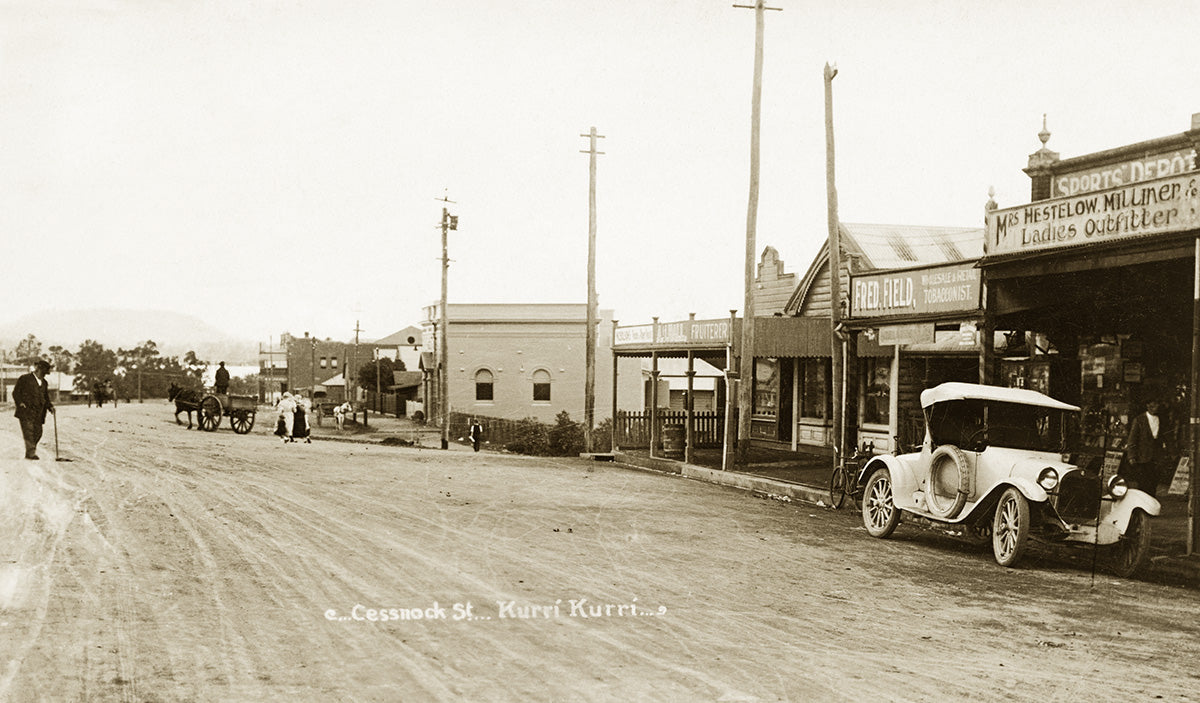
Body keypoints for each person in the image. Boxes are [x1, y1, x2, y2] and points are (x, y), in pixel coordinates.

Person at [1125, 397, 1169, 498]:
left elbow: (1164, 437)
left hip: (1156, 457)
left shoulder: (1160, 420)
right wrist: (1131, 456)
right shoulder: (1139, 420)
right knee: (1143, 484)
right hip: (1143, 457)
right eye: (1154, 405)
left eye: (1157, 405)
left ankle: (1151, 505)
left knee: (1153, 483)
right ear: (1148, 406)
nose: (1157, 407)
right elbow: (1132, 439)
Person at [13, 359, 55, 460]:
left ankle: (30, 450)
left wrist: (50, 406)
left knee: (38, 432)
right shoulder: (25, 379)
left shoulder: (44, 382)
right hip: (26, 411)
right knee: (29, 432)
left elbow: (45, 397)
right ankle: (31, 453)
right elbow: (15, 393)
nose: (45, 375)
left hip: (39, 413)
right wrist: (20, 403)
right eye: (44, 372)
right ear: (38, 370)